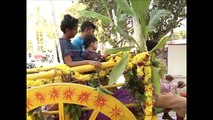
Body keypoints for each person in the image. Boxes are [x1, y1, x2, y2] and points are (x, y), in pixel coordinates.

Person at [146, 40, 187, 120]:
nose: (158, 53)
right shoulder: (147, 65)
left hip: (151, 94)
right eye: (156, 50)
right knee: (184, 102)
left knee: (170, 94)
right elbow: (160, 87)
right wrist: (177, 84)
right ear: (151, 51)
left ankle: (166, 114)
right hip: (151, 97)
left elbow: (156, 81)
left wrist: (165, 78)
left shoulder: (141, 62)